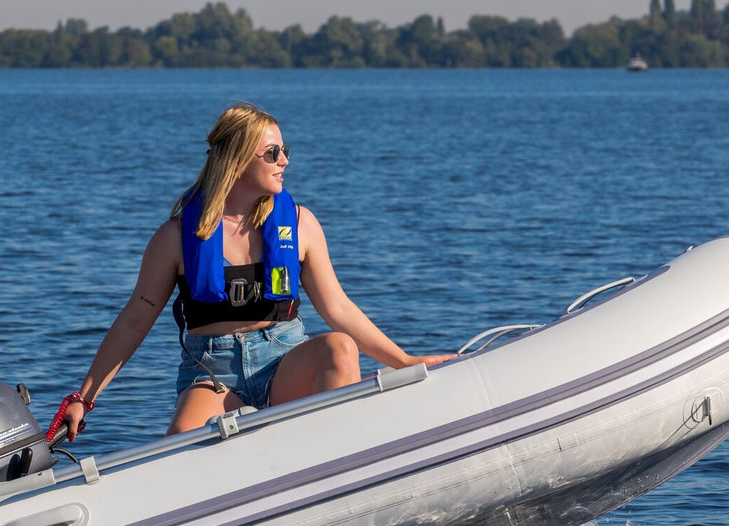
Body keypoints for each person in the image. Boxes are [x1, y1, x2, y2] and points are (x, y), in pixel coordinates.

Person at [48, 102, 453, 443]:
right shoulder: (174, 239)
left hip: (284, 362)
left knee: (340, 347)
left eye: (284, 150)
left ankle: (334, 471)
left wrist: (403, 360)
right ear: (239, 161)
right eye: (273, 153)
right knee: (179, 444)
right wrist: (84, 397)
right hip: (212, 374)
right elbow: (134, 322)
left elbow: (339, 309)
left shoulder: (300, 224)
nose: (285, 161)